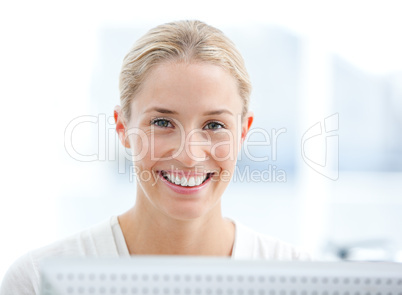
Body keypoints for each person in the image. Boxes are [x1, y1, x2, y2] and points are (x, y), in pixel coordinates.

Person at [0, 20, 310, 294]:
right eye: (162, 123)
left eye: (214, 125)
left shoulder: (299, 279)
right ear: (123, 128)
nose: (189, 155)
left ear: (243, 133)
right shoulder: (38, 281)